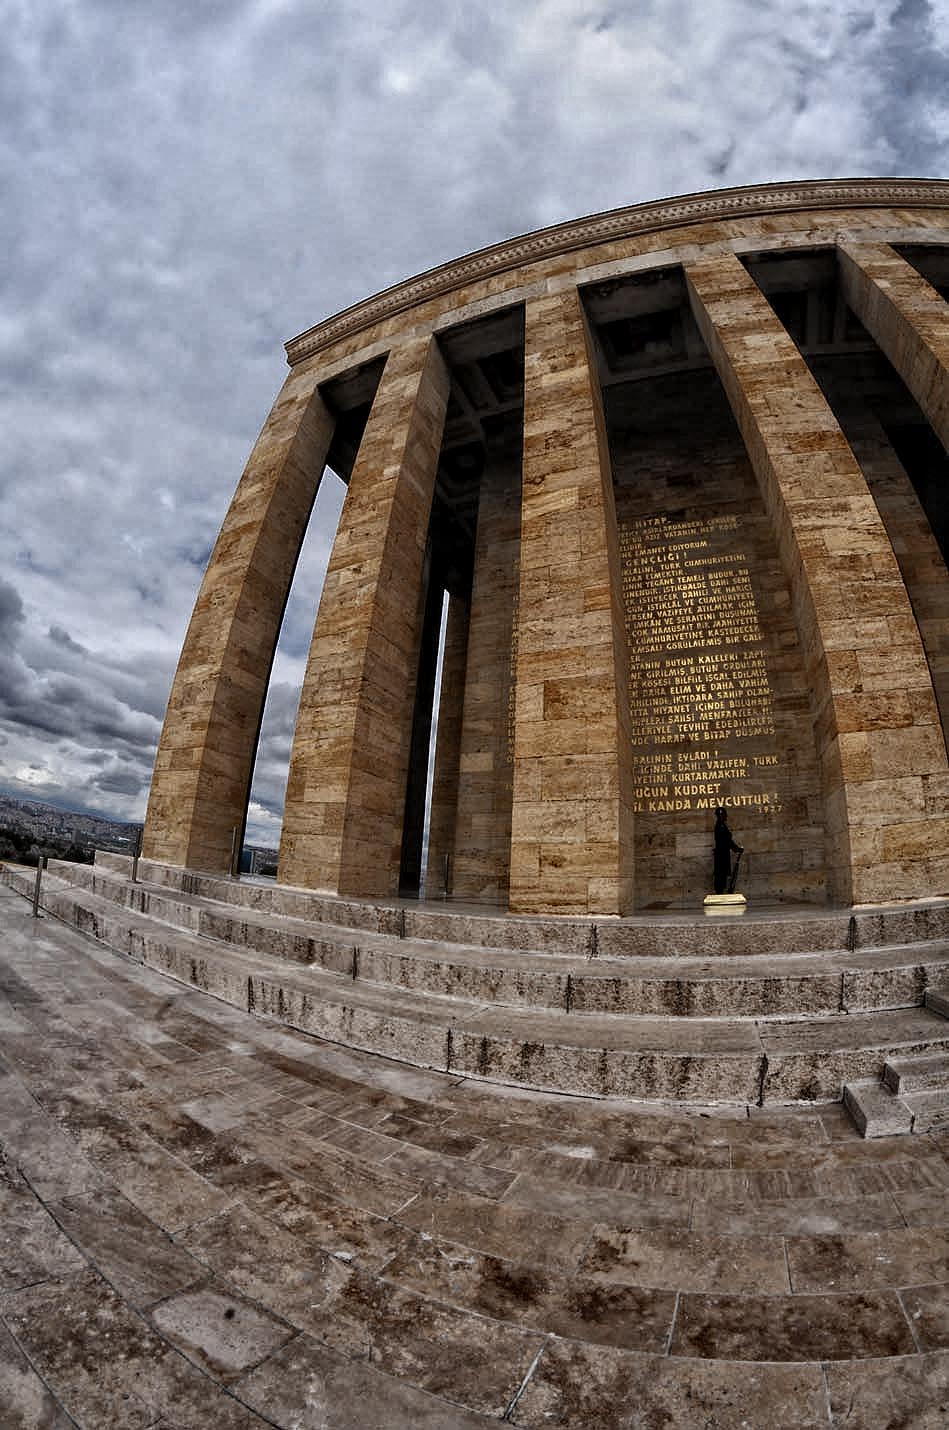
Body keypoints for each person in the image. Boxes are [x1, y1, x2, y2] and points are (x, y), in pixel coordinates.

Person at [713, 807, 743, 894]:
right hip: (721, 855)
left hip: (722, 854)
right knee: (720, 875)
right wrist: (736, 848)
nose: (725, 816)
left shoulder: (721, 825)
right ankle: (719, 893)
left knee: (722, 875)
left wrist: (736, 848)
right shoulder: (720, 826)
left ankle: (720, 892)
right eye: (722, 815)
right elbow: (727, 840)